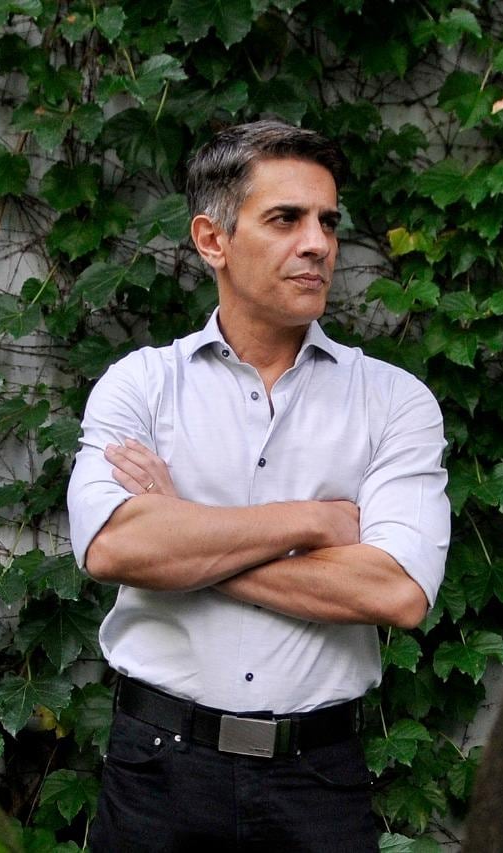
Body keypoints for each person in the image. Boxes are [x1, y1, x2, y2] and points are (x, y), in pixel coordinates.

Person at [67, 119, 451, 852]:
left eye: (327, 222)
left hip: (318, 781)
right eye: (285, 219)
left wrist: (183, 533)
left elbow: (397, 591)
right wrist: (313, 521)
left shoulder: (393, 401)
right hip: (157, 773)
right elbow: (114, 548)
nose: (318, 243)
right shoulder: (142, 385)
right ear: (212, 239)